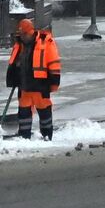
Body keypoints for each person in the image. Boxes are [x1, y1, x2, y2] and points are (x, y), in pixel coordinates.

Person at [5, 11, 62, 140]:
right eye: (21, 34)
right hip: (24, 85)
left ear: (31, 32)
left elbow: (53, 62)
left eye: (25, 34)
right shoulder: (19, 45)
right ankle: (24, 135)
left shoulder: (45, 43)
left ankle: (47, 134)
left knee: (44, 111)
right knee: (24, 112)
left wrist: (54, 81)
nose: (23, 36)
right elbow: (14, 62)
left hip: (40, 85)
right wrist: (13, 77)